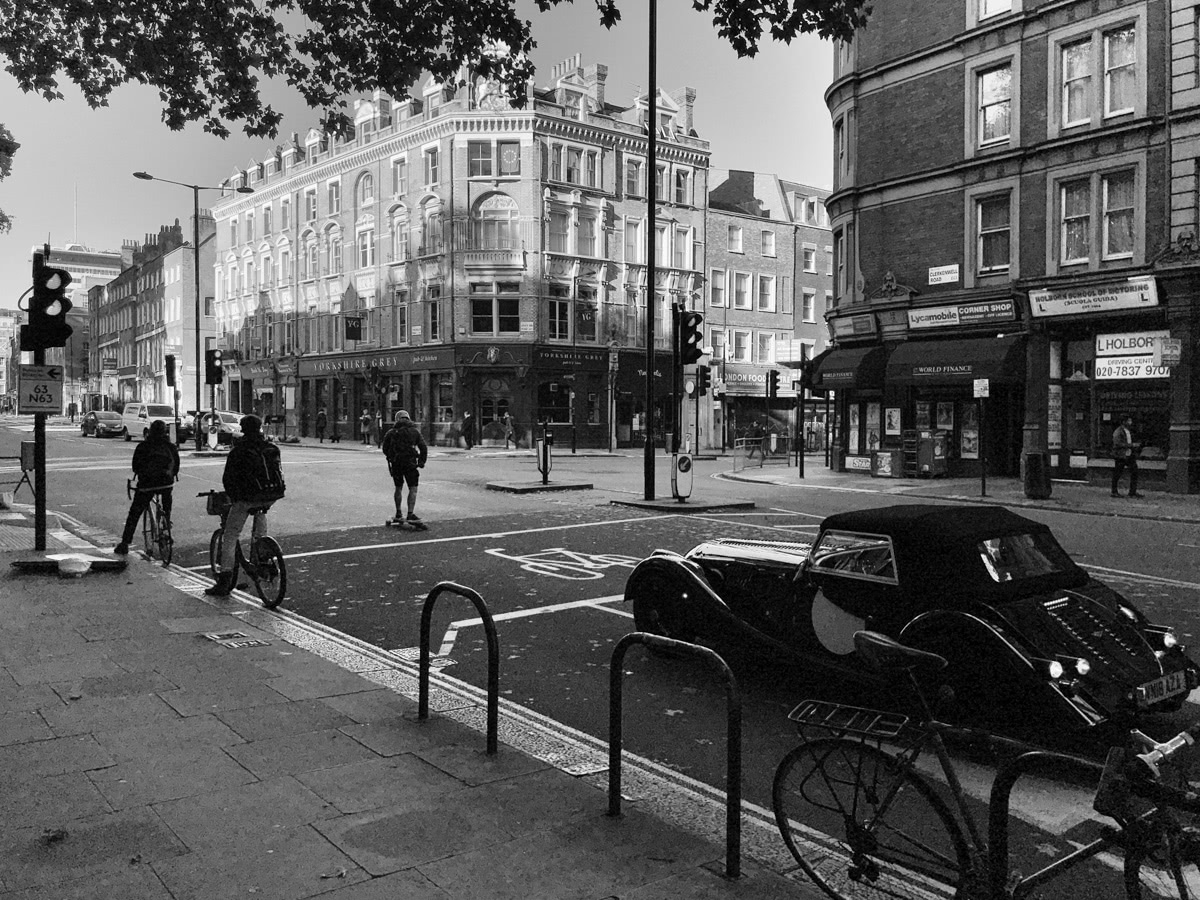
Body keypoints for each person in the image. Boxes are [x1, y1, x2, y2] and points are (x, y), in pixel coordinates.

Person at [206, 415, 285, 596]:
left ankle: (225, 579)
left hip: (248, 497)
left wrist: (234, 496)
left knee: (230, 535)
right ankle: (262, 553)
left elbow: (229, 478)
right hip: (271, 495)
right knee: (260, 519)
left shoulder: (239, 450)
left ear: (243, 429)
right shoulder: (271, 448)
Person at [114, 419, 180, 555]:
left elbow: (135, 467)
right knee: (167, 501)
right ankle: (166, 523)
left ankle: (125, 543)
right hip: (166, 483)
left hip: (147, 485)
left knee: (134, 513)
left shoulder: (143, 447)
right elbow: (176, 467)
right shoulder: (171, 447)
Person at [382, 409, 428, 526]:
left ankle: (398, 513)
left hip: (397, 464)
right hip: (410, 464)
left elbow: (385, 449)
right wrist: (421, 461)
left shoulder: (391, 432)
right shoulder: (415, 432)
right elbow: (423, 447)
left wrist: (392, 457)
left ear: (397, 419)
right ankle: (410, 513)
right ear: (408, 418)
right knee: (413, 488)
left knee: (398, 487)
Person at [1111, 415, 1141, 498]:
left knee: (1135, 471)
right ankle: (1114, 491)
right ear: (1124, 422)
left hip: (1129, 455)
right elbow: (1117, 443)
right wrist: (1131, 445)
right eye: (1129, 421)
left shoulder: (1128, 431)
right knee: (1117, 473)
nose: (1130, 422)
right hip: (1121, 455)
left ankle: (1132, 492)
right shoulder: (1118, 431)